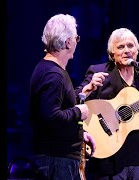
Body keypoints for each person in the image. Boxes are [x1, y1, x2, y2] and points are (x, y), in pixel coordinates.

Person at [75, 27, 139, 180]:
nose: (126, 50)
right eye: (120, 47)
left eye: (130, 46)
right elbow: (74, 99)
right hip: (108, 162)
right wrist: (88, 88)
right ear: (112, 54)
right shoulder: (98, 72)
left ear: (137, 51)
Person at [29, 13, 96, 180]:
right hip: (57, 161)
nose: (76, 42)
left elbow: (59, 107)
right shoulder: (53, 74)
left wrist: (80, 134)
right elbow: (51, 117)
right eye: (76, 38)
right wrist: (79, 112)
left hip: (59, 159)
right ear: (67, 42)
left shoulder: (52, 70)